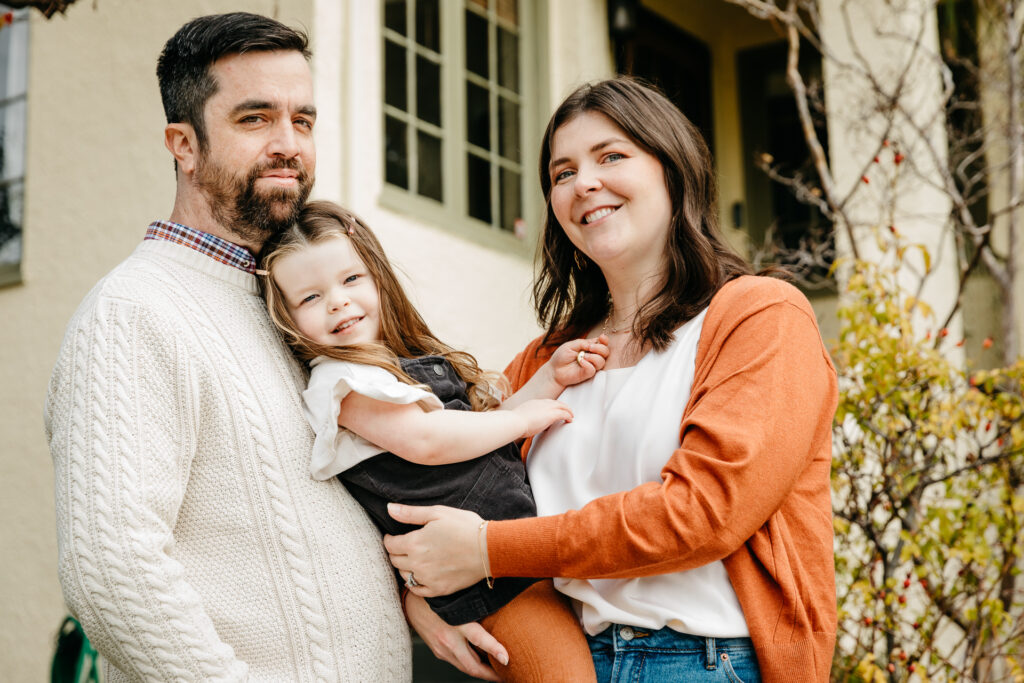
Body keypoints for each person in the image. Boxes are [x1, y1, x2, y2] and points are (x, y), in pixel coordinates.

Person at [384, 77, 839, 683]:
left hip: (708, 661)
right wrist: (424, 599)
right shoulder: (545, 361)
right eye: (562, 172)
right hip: (564, 662)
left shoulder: (759, 318)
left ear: (673, 169)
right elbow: (446, 492)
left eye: (612, 156)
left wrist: (488, 551)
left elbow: (701, 514)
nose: (584, 183)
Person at [44, 13, 412, 681]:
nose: (288, 143)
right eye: (255, 119)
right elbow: (114, 572)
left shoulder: (291, 304)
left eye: (303, 120)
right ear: (182, 144)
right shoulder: (133, 312)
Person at [257, 200, 602, 682]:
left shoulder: (398, 367)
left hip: (511, 552)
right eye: (310, 298)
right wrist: (526, 421)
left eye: (350, 280)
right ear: (289, 319)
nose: (337, 301)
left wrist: (548, 379)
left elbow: (476, 434)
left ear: (378, 278)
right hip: (488, 582)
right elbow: (429, 442)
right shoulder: (343, 385)